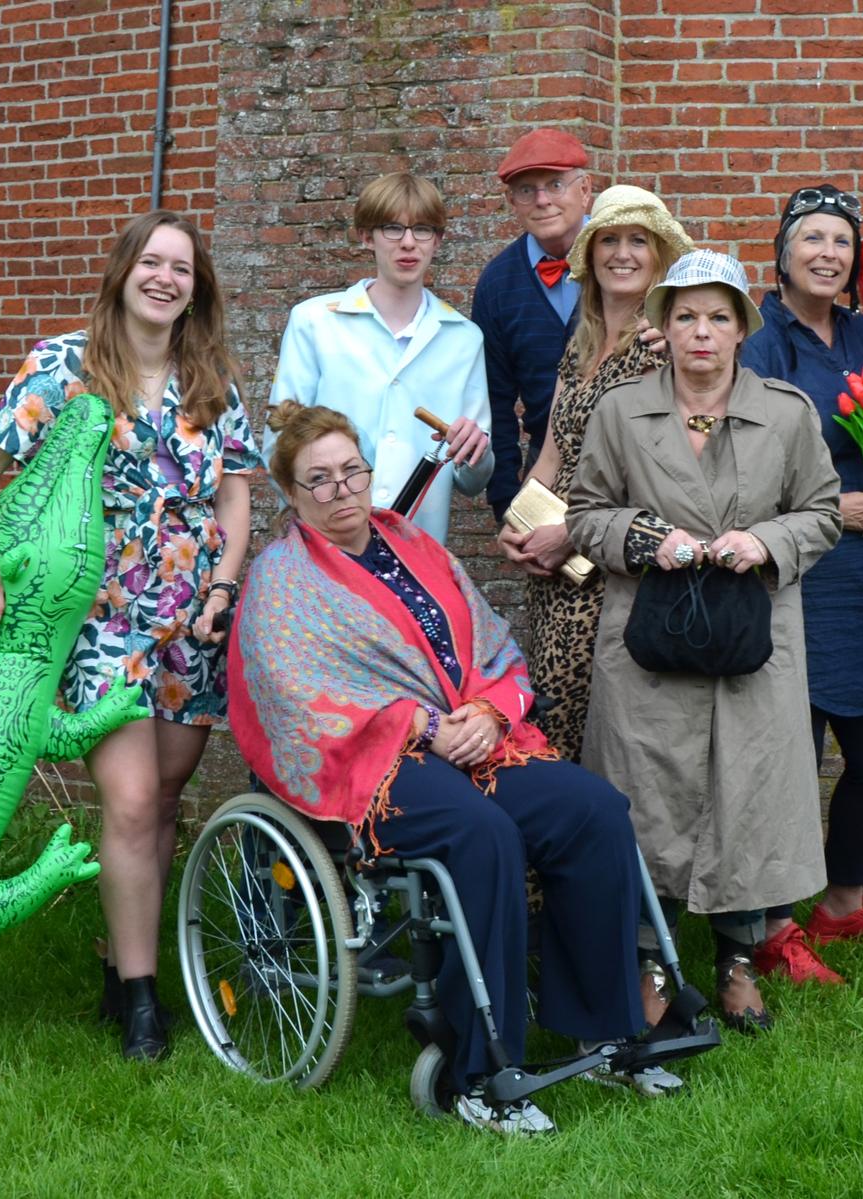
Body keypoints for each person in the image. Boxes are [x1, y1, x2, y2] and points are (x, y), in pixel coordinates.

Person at [230, 401, 673, 1135]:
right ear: (292, 494)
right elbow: (296, 694)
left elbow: (490, 643)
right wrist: (423, 725)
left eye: (352, 471)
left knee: (592, 811)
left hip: (473, 735)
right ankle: (482, 1073)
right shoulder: (282, 579)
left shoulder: (411, 543)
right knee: (482, 833)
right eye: (320, 480)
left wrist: (492, 713)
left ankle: (605, 1032)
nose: (342, 491)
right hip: (371, 762)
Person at [0, 209, 255, 1060]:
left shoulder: (213, 379)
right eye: (152, 262)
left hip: (191, 619)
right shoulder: (66, 364)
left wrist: (224, 584)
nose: (166, 278)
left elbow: (235, 492)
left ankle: (117, 964)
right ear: (124, 272)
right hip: (100, 615)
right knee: (127, 798)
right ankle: (143, 1005)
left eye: (182, 268)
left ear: (196, 289)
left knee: (161, 799)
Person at [567, 250, 842, 1033]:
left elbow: (823, 512)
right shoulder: (621, 410)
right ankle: (649, 961)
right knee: (644, 801)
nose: (701, 332)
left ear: (741, 329)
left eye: (719, 317)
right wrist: (644, 536)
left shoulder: (786, 412)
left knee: (744, 798)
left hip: (752, 639)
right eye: (686, 315)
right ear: (663, 323)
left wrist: (765, 541)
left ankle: (738, 960)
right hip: (648, 642)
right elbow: (584, 513)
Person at [739, 185, 863, 987]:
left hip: (861, 574)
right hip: (794, 571)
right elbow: (740, 462)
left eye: (841, 241)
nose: (827, 252)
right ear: (782, 253)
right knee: (790, 758)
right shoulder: (759, 339)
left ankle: (842, 900)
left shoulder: (858, 332)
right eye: (811, 238)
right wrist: (828, 508)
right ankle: (770, 927)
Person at [497, 184, 693, 760]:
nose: (622, 254)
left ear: (658, 257)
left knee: (588, 729)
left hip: (608, 572)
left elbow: (659, 480)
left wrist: (570, 533)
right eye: (609, 240)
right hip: (554, 567)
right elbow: (551, 453)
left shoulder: (660, 349)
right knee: (550, 712)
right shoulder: (580, 346)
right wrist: (516, 523)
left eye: (638, 241)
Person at [267, 172, 491, 544]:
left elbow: (472, 481)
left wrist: (476, 453)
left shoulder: (464, 339)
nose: (408, 243)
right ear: (367, 236)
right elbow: (278, 444)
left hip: (414, 546)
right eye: (392, 228)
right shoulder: (314, 322)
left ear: (437, 241)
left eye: (422, 229)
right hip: (323, 543)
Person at [472, 127, 594, 522]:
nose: (542, 201)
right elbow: (495, 400)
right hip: (547, 465)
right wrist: (506, 502)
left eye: (555, 185)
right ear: (512, 202)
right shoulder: (498, 284)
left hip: (635, 460)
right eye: (527, 190)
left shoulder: (626, 258)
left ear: (585, 190)